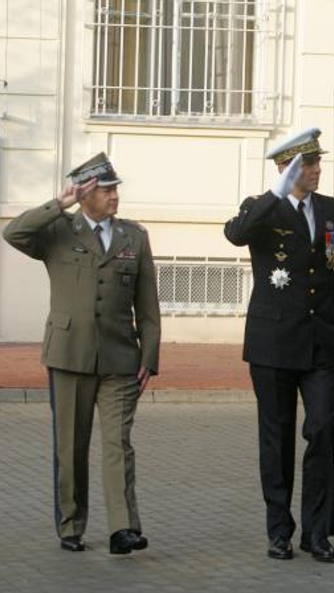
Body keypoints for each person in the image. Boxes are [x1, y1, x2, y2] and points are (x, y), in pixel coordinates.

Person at [4, 153, 160, 554]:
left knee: (118, 444)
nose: (114, 196)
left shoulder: (134, 237)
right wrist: (61, 202)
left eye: (114, 188)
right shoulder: (58, 231)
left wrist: (149, 358)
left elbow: (148, 307)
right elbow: (14, 233)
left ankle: (123, 529)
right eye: (106, 189)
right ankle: (71, 525)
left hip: (120, 358)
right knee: (71, 446)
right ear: (86, 193)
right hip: (69, 355)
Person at [223, 128, 334, 562]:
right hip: (274, 344)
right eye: (308, 164)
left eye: (319, 163)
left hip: (321, 344)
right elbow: (236, 233)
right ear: (287, 169)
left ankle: (318, 532)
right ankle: (279, 529)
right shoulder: (261, 210)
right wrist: (274, 193)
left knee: (323, 430)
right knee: (276, 438)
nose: (318, 170)